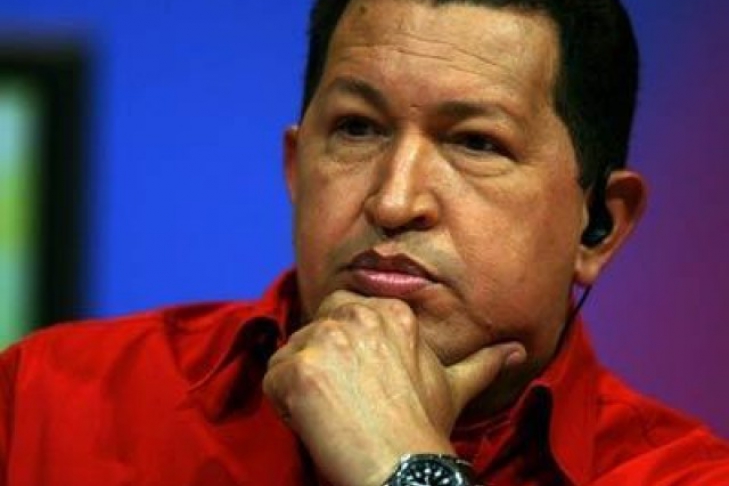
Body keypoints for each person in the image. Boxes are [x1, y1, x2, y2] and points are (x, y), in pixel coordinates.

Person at [1, 0, 728, 484]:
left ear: (600, 224)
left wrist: (402, 466)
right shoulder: (44, 400)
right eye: (357, 128)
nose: (393, 200)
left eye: (476, 142)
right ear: (296, 169)